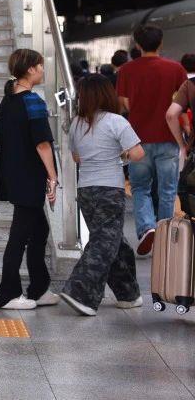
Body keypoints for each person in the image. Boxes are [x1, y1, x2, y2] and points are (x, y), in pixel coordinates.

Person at [59, 74, 145, 316]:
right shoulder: (116, 121)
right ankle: (80, 292)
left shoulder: (76, 124)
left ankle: (128, 295)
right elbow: (138, 154)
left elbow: (77, 157)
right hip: (109, 189)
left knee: (115, 242)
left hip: (86, 190)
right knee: (104, 243)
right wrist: (120, 155)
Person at [0, 49, 60, 311]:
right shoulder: (32, 101)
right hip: (29, 176)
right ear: (30, 69)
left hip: (14, 173)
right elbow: (42, 144)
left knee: (39, 230)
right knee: (19, 235)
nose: (42, 70)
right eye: (40, 66)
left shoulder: (7, 100)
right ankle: (8, 294)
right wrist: (52, 176)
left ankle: (39, 288)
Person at [116, 24, 187, 255]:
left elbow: (123, 103)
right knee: (168, 190)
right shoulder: (175, 69)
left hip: (137, 140)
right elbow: (181, 104)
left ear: (137, 45)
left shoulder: (127, 70)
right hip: (168, 138)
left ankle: (147, 228)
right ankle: (164, 237)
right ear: (161, 43)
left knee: (139, 188)